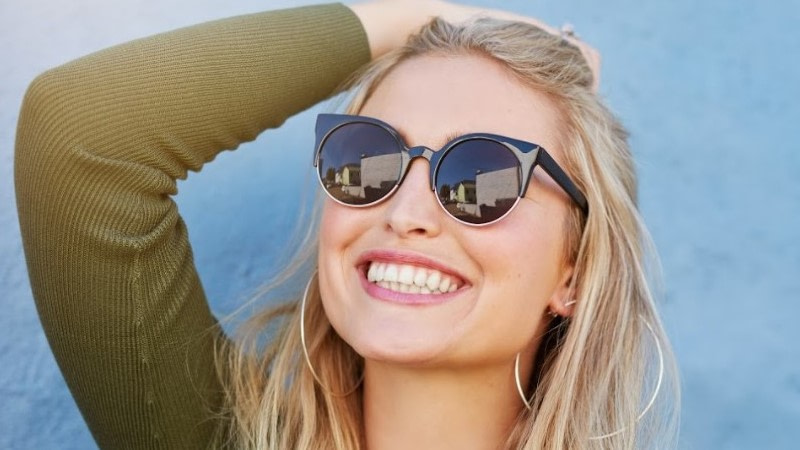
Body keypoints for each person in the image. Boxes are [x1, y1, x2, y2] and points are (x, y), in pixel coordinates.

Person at [15, 1, 678, 448]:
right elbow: (79, 136)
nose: (404, 213)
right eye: (371, 157)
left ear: (575, 271)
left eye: (482, 175)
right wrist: (430, 16)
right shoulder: (223, 435)